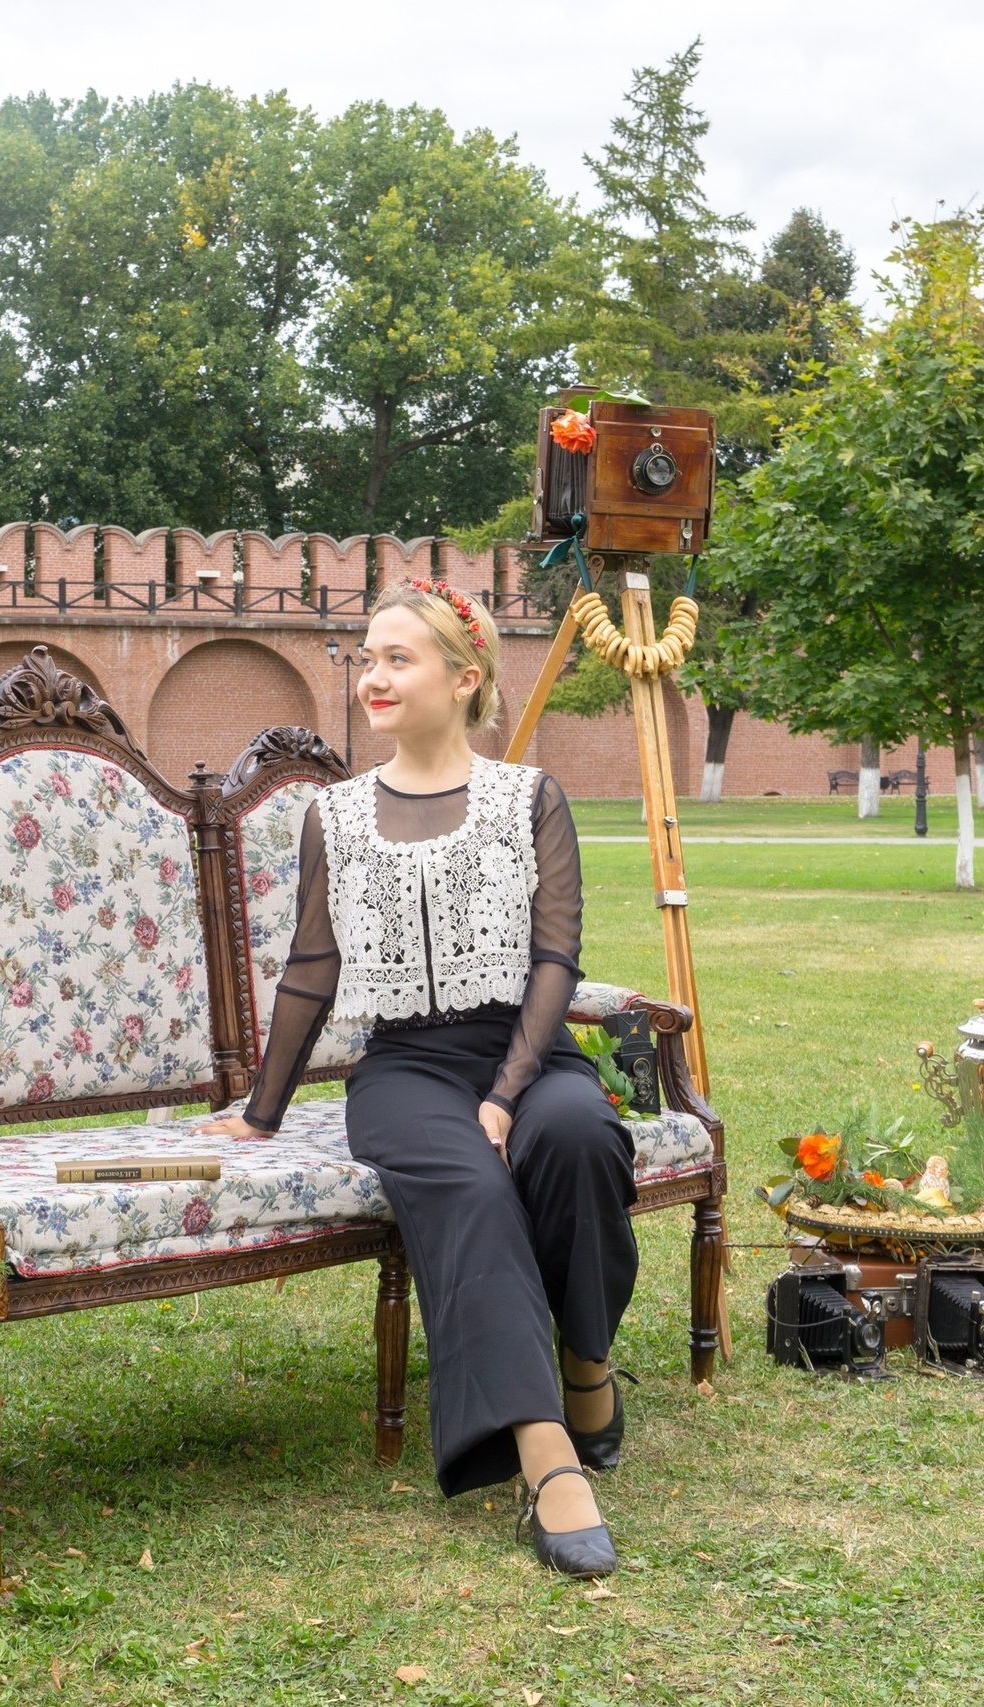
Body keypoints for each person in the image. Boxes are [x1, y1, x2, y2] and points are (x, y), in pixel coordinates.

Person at [195, 580, 635, 1578]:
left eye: (398, 658)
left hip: (523, 1049)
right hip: (404, 1070)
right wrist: (260, 1112)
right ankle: (544, 1451)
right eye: (366, 657)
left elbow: (555, 960)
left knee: (576, 1138)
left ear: (464, 677)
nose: (372, 676)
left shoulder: (529, 798)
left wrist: (506, 1092)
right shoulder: (336, 816)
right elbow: (314, 967)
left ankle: (587, 1360)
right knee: (469, 1186)